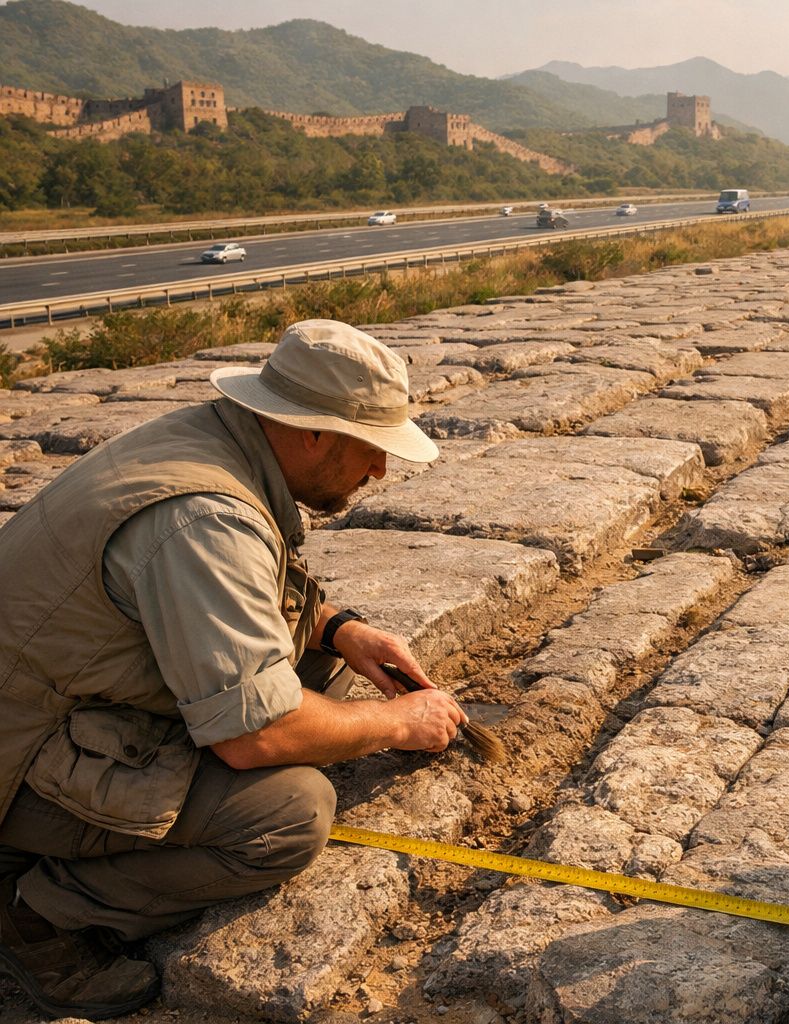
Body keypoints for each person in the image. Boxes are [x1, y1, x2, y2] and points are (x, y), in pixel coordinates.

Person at [0, 319, 467, 1019]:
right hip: (19, 760)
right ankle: (37, 915)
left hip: (61, 692)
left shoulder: (212, 438)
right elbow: (257, 738)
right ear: (311, 432)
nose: (379, 472)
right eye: (370, 450)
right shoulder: (203, 517)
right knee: (289, 813)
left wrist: (340, 630)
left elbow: (223, 600)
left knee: (335, 678)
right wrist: (398, 723)